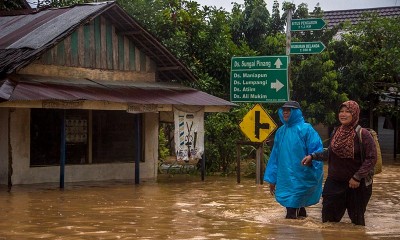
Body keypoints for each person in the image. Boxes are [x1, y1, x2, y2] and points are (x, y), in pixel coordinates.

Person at [302, 100, 377, 226]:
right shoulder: (337, 132)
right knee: (328, 223)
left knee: (357, 224)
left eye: (347, 111)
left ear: (354, 113)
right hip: (334, 183)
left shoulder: (363, 134)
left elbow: (371, 158)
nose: (343, 114)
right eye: (341, 111)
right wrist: (313, 156)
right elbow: (331, 153)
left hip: (357, 186)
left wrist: (357, 177)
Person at [264, 101, 324, 219]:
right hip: (285, 180)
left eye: (289, 110)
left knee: (291, 214)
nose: (285, 112)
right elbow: (275, 156)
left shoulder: (306, 129)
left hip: (302, 178)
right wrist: (272, 179)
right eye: (284, 110)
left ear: (296, 112)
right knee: (297, 210)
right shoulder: (281, 131)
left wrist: (313, 168)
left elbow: (317, 152)